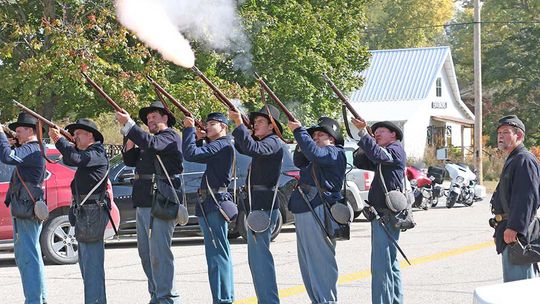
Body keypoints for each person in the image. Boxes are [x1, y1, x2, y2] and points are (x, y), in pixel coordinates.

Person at [115, 101, 182, 304]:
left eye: (154, 116)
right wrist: (128, 134)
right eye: (148, 118)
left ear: (165, 117)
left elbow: (150, 144)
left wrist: (130, 125)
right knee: (146, 254)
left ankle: (168, 297)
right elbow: (130, 160)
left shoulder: (169, 137)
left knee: (160, 253)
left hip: (160, 201)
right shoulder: (150, 141)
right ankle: (156, 294)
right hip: (144, 200)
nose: (150, 120)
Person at [49, 118, 110, 303]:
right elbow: (72, 157)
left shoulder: (97, 152)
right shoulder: (88, 153)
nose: (74, 137)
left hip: (93, 212)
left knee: (92, 266)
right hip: (85, 212)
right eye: (73, 135)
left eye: (77, 134)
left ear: (89, 134)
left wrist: (60, 140)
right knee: (86, 264)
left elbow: (75, 158)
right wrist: (63, 142)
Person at [287, 117, 346, 304]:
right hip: (307, 206)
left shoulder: (334, 152)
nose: (316, 137)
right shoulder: (317, 154)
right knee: (307, 262)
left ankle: (326, 300)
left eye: (321, 134)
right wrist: (301, 140)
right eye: (314, 135)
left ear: (333, 139)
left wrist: (299, 132)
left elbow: (315, 154)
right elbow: (299, 159)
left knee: (321, 261)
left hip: (319, 207)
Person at [228, 105, 284, 304]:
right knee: (256, 261)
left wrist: (239, 123)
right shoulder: (265, 142)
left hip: (263, 207)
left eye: (260, 122)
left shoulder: (273, 142)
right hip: (255, 206)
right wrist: (242, 127)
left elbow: (252, 147)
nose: (255, 125)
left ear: (272, 126)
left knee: (261, 261)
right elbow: (243, 146)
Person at [182, 113, 235, 303]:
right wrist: (198, 138)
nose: (209, 126)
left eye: (213, 124)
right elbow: (199, 154)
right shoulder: (218, 145)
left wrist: (188, 130)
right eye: (208, 124)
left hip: (215, 201)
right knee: (215, 253)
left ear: (224, 127)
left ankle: (223, 299)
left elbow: (190, 154)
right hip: (208, 202)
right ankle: (222, 297)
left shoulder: (223, 144)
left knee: (217, 254)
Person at [351, 118, 406, 304]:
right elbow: (360, 160)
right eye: (376, 131)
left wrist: (364, 134)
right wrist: (367, 140)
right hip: (384, 213)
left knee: (381, 265)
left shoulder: (395, 149)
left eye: (382, 131)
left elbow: (380, 156)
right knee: (390, 263)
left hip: (386, 214)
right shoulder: (383, 152)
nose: (378, 133)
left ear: (394, 135)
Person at [0, 113, 47, 304]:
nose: (17, 134)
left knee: (28, 258)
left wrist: (1, 136)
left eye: (19, 131)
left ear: (30, 131)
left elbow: (7, 157)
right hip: (25, 208)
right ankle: (38, 298)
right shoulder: (30, 148)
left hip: (26, 209)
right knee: (30, 256)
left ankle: (34, 300)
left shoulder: (31, 149)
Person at [490, 115, 540, 282]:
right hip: (509, 230)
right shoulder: (514, 159)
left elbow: (527, 197)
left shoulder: (524, 159)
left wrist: (515, 227)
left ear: (519, 136)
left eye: (505, 132)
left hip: (518, 236)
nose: (500, 136)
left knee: (519, 290)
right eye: (499, 133)